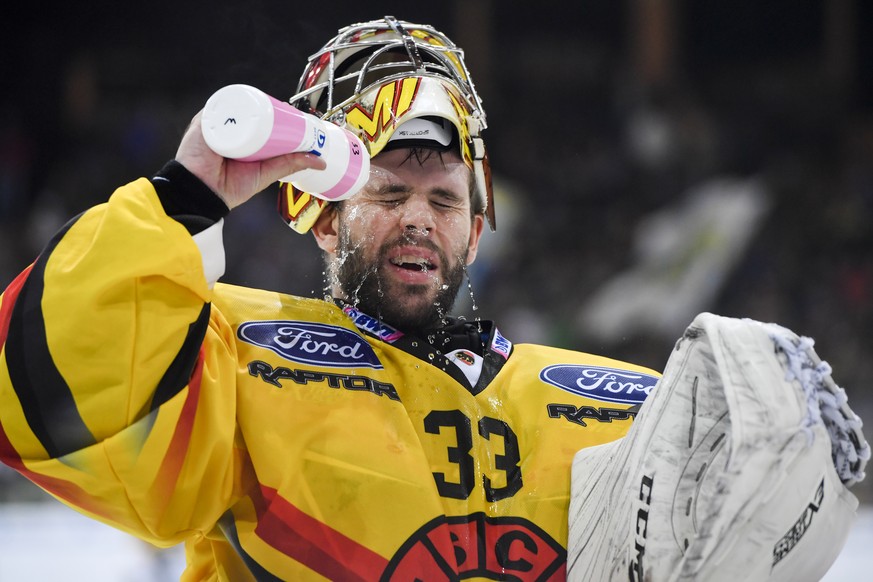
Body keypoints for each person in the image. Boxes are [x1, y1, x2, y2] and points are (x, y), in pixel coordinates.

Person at [0, 16, 866, 582]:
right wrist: (188, 196)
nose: (419, 219)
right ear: (322, 216)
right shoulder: (230, 358)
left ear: (476, 232)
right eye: (387, 194)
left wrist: (786, 455)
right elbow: (37, 400)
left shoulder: (617, 405)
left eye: (445, 200)